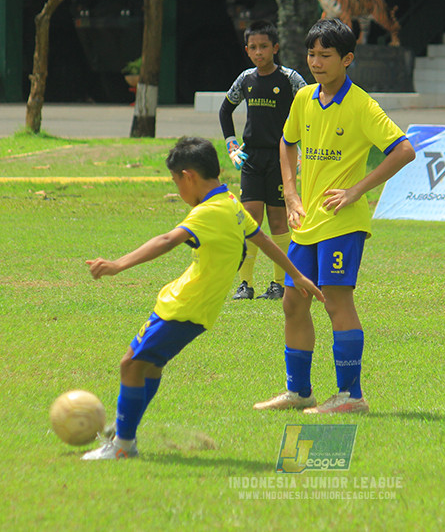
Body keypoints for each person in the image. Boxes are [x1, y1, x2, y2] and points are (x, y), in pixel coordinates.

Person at [81, 136, 324, 460]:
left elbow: (167, 240)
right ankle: (127, 426)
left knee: (131, 365)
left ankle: (123, 445)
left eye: (175, 182)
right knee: (148, 366)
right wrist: (295, 274)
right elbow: (263, 239)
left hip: (184, 308)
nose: (178, 190)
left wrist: (117, 265)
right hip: (186, 307)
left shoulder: (208, 212)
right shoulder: (232, 205)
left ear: (189, 176)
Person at [254, 18, 416, 415]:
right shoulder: (304, 98)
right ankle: (299, 392)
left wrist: (357, 189)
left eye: (325, 55)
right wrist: (290, 196)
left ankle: (351, 396)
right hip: (307, 223)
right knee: (293, 301)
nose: (316, 62)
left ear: (347, 59)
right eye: (311, 54)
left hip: (343, 223)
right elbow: (287, 142)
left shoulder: (362, 104)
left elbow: (404, 150)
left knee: (335, 302)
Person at [219, 20, 308, 302]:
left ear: (275, 48)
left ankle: (278, 283)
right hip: (252, 159)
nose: (259, 52)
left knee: (279, 222)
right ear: (247, 50)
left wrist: (302, 150)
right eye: (253, 48)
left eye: (264, 47)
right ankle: (245, 284)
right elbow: (225, 111)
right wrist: (232, 144)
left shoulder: (290, 79)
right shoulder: (245, 79)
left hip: (281, 158)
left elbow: (311, 110)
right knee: (249, 220)